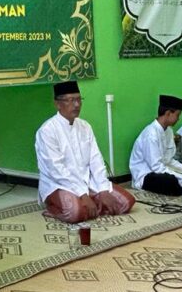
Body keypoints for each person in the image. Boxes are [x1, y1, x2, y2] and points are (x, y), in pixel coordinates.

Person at [35, 81, 135, 223]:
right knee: (75, 213)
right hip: (59, 185)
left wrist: (103, 189)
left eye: (78, 99)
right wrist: (83, 194)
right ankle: (54, 208)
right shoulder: (47, 131)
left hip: (87, 181)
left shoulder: (85, 126)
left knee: (126, 202)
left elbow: (96, 159)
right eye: (71, 100)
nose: (77, 105)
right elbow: (56, 170)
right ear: (58, 104)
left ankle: (91, 204)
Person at [129, 95, 182, 196]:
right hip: (147, 175)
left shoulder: (169, 131)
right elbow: (156, 167)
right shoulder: (151, 134)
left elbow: (169, 160)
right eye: (177, 115)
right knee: (171, 181)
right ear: (168, 113)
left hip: (162, 169)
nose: (178, 119)